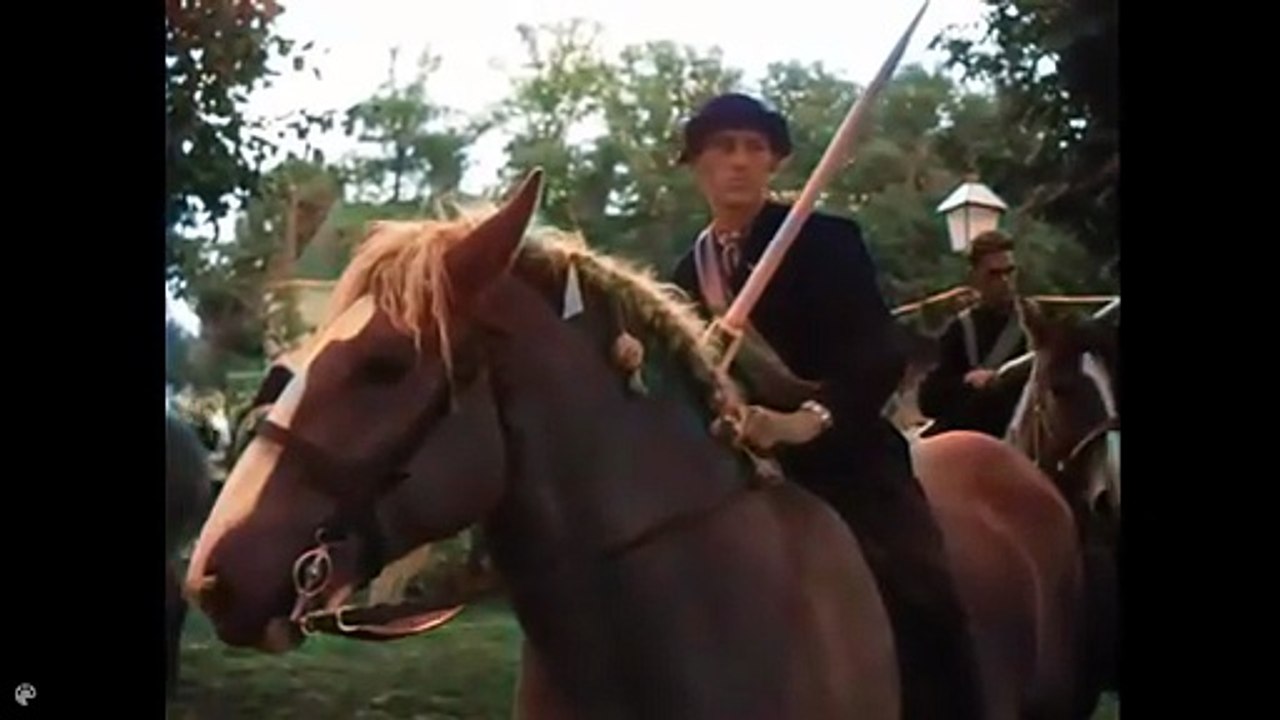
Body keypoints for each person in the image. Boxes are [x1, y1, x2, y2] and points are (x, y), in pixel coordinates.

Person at [668, 92, 985, 720]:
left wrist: (803, 422)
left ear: (774, 162)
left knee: (923, 593)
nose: (739, 161)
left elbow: (879, 354)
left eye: (754, 148)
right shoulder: (682, 278)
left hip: (845, 461)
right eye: (723, 148)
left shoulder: (826, 241)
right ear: (698, 164)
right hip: (734, 470)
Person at [917, 230, 1033, 438]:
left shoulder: (1035, 326)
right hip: (970, 439)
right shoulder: (961, 329)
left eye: (1009, 272)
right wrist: (966, 381)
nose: (1005, 281)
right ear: (975, 276)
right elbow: (929, 401)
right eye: (994, 274)